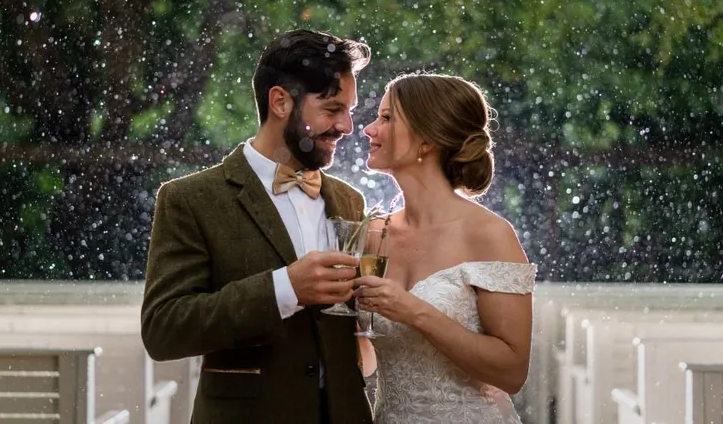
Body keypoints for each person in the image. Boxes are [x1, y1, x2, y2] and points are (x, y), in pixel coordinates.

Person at [141, 29, 374, 424]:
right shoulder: (190, 199)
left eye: (349, 110)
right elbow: (164, 329)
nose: (347, 126)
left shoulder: (350, 199)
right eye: (333, 109)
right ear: (280, 102)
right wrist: (285, 288)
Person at [354, 73, 537, 423]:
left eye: (387, 118)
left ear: (426, 141)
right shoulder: (371, 234)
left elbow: (512, 373)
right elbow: (366, 355)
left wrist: (414, 312)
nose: (369, 129)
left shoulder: (490, 235)